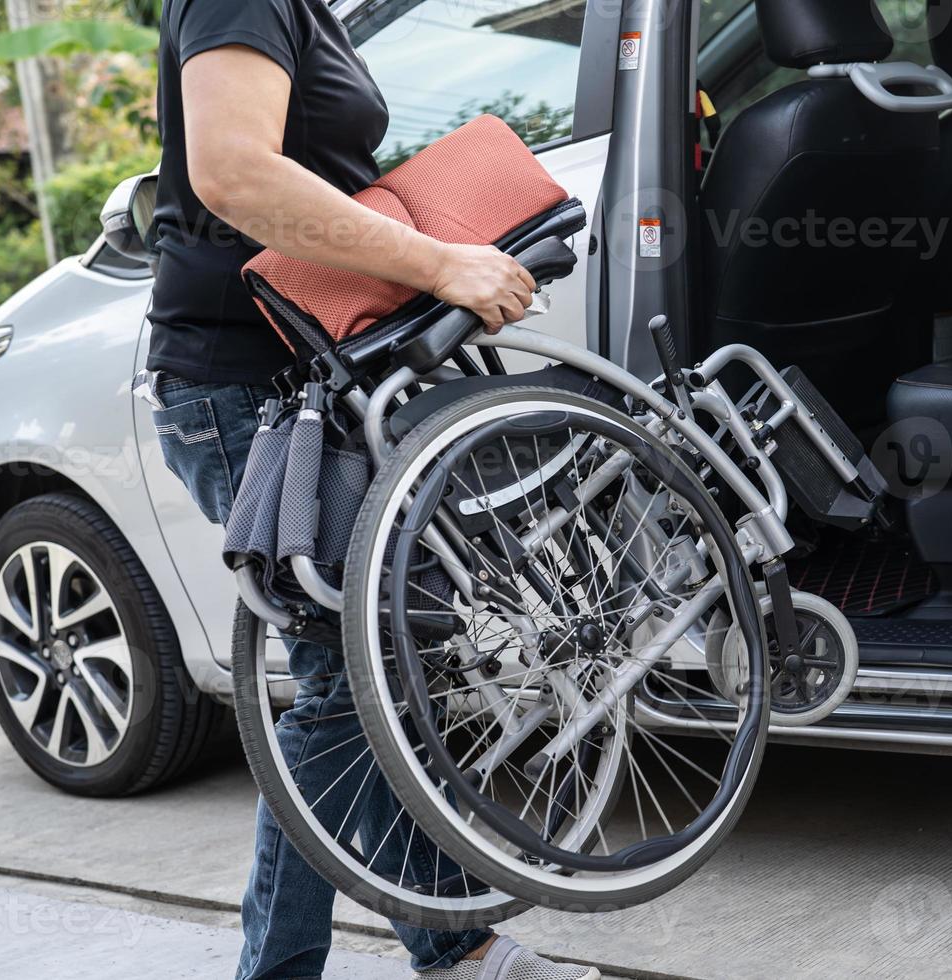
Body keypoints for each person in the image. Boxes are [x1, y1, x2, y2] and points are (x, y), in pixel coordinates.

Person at [142, 2, 598, 978]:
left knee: (358, 672)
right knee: (341, 681)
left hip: (314, 371)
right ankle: (415, 954)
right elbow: (233, 172)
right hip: (239, 383)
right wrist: (438, 261)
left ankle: (454, 948)